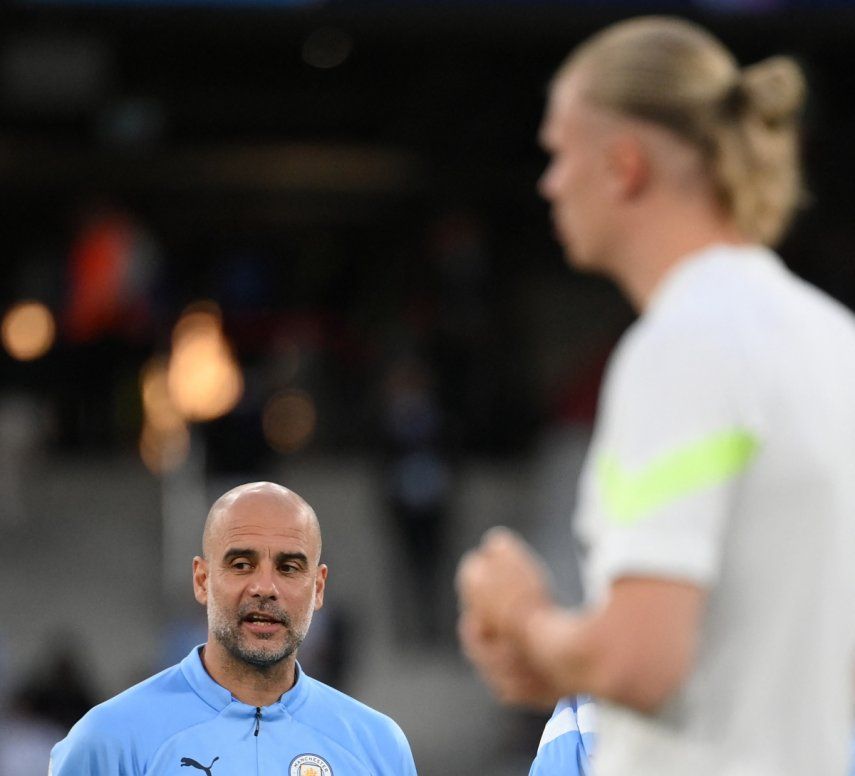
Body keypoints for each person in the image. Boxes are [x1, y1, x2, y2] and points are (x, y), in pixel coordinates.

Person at [456, 15, 855, 776]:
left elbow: (641, 664)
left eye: (558, 154)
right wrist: (564, 662)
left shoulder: (682, 346)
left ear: (624, 165)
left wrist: (523, 615)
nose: (548, 183)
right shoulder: (830, 338)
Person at [50, 481, 418, 775]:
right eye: (242, 564)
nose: (265, 588)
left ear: (318, 588)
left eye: (289, 568)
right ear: (202, 579)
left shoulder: (378, 746)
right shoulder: (108, 740)